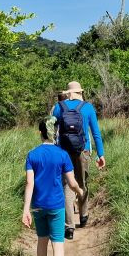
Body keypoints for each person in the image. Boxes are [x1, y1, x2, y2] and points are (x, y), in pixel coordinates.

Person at [22, 117, 84, 256]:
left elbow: (29, 184)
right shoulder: (62, 155)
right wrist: (80, 192)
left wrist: (26, 209)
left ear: (40, 133)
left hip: (38, 206)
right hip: (56, 205)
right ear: (55, 133)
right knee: (57, 242)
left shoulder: (32, 155)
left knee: (42, 240)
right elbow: (72, 183)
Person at [52, 80, 105, 240]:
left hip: (63, 152)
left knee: (67, 186)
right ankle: (83, 215)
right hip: (84, 150)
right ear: (80, 93)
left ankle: (69, 226)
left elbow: (51, 131)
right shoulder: (88, 108)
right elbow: (95, 133)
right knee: (82, 183)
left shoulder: (58, 108)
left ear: (68, 93)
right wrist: (100, 154)